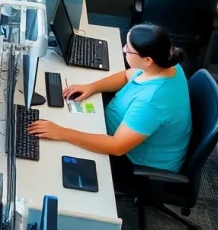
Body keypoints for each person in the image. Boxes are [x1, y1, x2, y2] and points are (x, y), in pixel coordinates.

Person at [28, 24, 192, 192]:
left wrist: (62, 132)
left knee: (55, 157)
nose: (123, 48)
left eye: (129, 48)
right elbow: (127, 75)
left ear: (147, 60)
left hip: (137, 164)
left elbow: (117, 146)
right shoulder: (164, 63)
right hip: (120, 133)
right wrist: (92, 86)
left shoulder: (152, 101)